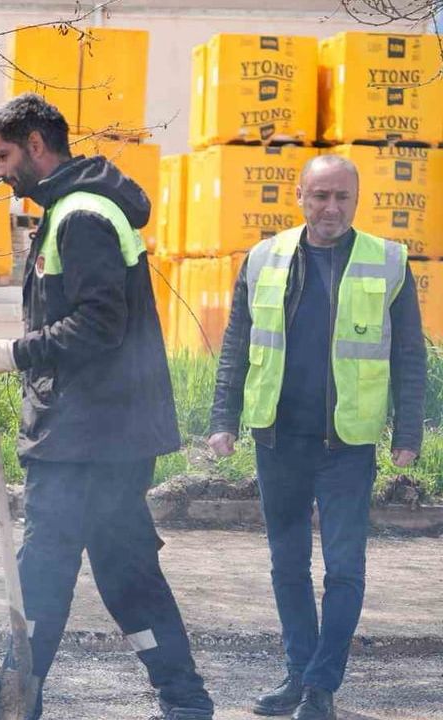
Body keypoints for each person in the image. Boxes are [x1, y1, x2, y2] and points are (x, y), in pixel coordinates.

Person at [0, 94, 214, 720]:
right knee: (124, 569)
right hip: (99, 427)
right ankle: (182, 698)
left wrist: (10, 353)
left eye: (3, 156)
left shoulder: (81, 216)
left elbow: (100, 325)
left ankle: (14, 702)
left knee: (45, 566)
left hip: (90, 433)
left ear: (38, 146)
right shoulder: (77, 208)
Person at [207, 155, 425, 720]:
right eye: (320, 196)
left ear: (357, 200)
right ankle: (298, 674)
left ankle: (322, 686)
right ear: (299, 194)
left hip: (346, 446)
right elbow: (237, 342)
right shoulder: (265, 257)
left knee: (345, 568)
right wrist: (222, 420)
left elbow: (408, 353)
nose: (331, 208)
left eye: (342, 198)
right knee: (287, 564)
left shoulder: (388, 261)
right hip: (279, 439)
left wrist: (408, 432)